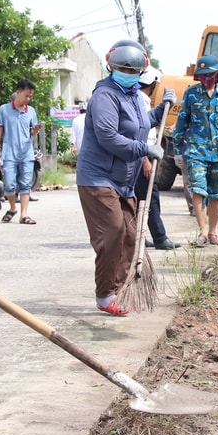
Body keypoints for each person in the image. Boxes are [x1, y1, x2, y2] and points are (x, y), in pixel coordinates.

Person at [77, 39, 176, 316]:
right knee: (112, 232)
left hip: (124, 179)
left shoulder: (132, 95)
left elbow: (140, 124)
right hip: (98, 178)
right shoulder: (105, 96)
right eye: (123, 69)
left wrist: (161, 109)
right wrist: (144, 148)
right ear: (111, 66)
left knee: (131, 235)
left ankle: (120, 289)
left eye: (133, 71)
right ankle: (105, 294)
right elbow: (109, 136)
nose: (128, 73)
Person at [170, 54, 218, 247]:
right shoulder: (191, 93)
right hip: (196, 150)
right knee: (198, 190)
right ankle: (203, 231)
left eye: (210, 74)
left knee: (215, 193)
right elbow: (181, 123)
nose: (207, 79)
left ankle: (213, 233)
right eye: (203, 75)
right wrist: (178, 151)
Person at [134, 66, 180, 251]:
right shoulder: (140, 100)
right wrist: (145, 159)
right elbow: (139, 132)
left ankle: (140, 236)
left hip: (143, 154)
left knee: (141, 199)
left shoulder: (140, 99)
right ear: (153, 83)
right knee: (150, 198)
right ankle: (160, 238)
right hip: (142, 156)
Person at [0, 78, 41, 225]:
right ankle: (13, 208)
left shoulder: (31, 111)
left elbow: (31, 132)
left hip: (26, 153)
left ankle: (23, 215)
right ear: (18, 92)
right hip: (9, 154)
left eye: (30, 96)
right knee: (8, 184)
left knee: (26, 184)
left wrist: (35, 131)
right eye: (26, 95)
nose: (28, 99)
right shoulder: (4, 110)